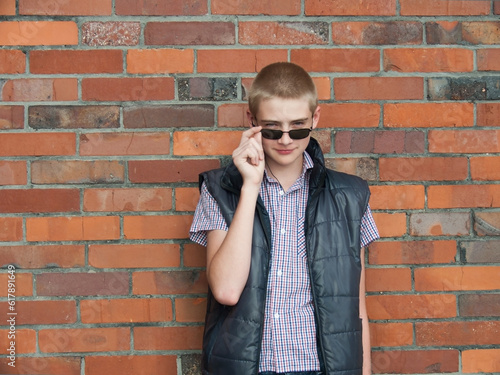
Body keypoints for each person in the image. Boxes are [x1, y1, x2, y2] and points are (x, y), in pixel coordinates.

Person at [189, 62, 379, 375]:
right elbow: (226, 290)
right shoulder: (219, 191)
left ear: (316, 118)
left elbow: (354, 306)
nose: (287, 139)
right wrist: (249, 186)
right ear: (251, 121)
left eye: (299, 127)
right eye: (273, 128)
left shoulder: (350, 196)